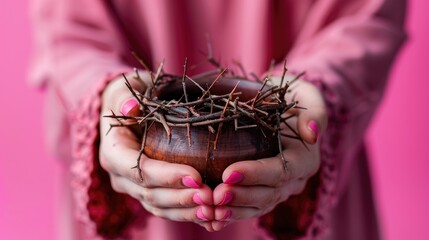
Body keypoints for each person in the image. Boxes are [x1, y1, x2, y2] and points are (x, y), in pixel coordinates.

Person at [30, 0, 406, 239]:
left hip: (304, 151)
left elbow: (364, 17)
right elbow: (69, 27)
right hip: (137, 177)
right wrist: (110, 93)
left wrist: (319, 84)